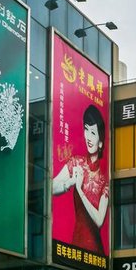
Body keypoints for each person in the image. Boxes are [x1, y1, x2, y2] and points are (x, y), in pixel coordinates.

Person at [52, 104, 109, 255]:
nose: (88, 137)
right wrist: (69, 183)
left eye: (93, 132)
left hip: (96, 252)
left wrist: (79, 190)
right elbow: (51, 187)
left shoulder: (104, 182)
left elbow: (99, 220)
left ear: (101, 141)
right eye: (86, 130)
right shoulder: (76, 163)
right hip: (76, 247)